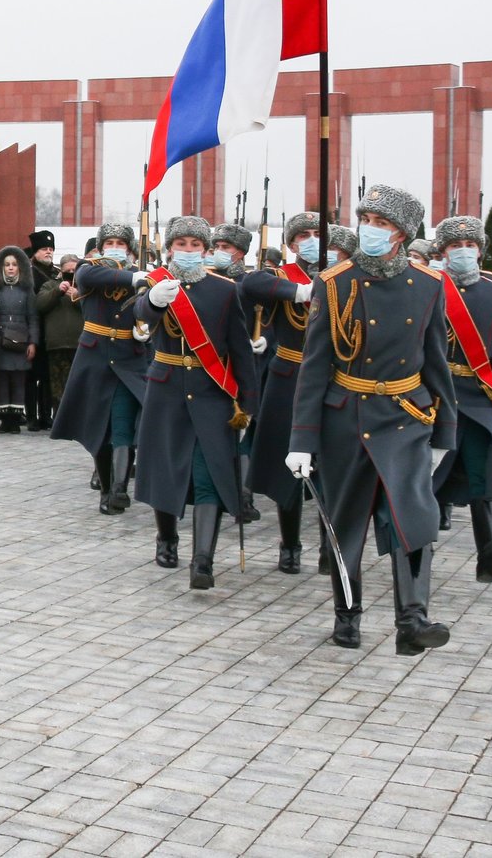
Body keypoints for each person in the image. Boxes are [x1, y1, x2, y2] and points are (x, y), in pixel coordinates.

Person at [289, 184, 458, 655]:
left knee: (415, 515)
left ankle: (413, 620)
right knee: (346, 522)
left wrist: (445, 430)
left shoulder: (428, 285)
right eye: (367, 219)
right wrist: (301, 439)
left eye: (382, 224)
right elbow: (315, 365)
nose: (371, 230)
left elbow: (435, 361)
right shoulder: (333, 281)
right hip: (347, 416)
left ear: (403, 234)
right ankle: (347, 616)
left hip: (405, 416)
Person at [132, 216, 259, 590]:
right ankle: (167, 538)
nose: (188, 251)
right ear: (169, 248)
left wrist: (247, 401)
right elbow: (139, 320)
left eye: (195, 246)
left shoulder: (223, 289)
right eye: (181, 244)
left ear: (206, 250)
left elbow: (238, 347)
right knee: (166, 467)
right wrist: (151, 303)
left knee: (210, 473)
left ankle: (202, 559)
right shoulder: (156, 283)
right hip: (166, 387)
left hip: (211, 392)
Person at [431, 215, 492, 582]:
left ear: (481, 252)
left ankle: (490, 553)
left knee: (485, 474)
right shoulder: (427, 288)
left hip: (480, 401)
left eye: (471, 246)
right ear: (443, 251)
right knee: (432, 479)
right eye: (456, 246)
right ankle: (417, 552)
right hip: (437, 400)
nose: (464, 252)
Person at [242, 211, 323, 573]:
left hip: (332, 381)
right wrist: (301, 290)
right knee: (287, 466)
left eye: (317, 233)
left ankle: (328, 547)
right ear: (291, 244)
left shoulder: (345, 276)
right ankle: (289, 543)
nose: (311, 239)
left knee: (329, 469)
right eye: (302, 235)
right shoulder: (281, 276)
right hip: (288, 374)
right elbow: (252, 285)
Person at [52, 223, 149, 517]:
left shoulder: (144, 274)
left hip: (128, 358)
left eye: (122, 242)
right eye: (110, 242)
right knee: (98, 428)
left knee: (122, 425)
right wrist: (136, 277)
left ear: (131, 249)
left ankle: (118, 489)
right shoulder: (89, 268)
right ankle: (106, 487)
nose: (115, 247)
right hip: (94, 358)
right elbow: (88, 276)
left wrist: (148, 323)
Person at [0, 245, 42, 434]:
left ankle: (16, 419)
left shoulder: (27, 291)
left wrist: (33, 342)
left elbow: (33, 318)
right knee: (1, 379)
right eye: (7, 264)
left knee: (18, 380)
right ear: (0, 268)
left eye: (14, 264)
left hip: (21, 341)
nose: (10, 268)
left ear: (21, 268)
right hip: (0, 340)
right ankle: (4, 420)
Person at [34, 254, 83, 424]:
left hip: (79, 345)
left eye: (74, 270)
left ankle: (75, 419)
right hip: (56, 344)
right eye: (67, 271)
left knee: (76, 385)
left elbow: (92, 309)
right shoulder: (50, 285)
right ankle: (59, 419)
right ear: (61, 271)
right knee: (56, 386)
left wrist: (77, 296)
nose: (71, 273)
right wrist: (58, 291)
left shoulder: (85, 288)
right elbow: (40, 305)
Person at [24, 230, 60, 430]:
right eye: (44, 249)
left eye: (50, 249)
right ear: (35, 252)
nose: (48, 253)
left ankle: (46, 415)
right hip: (33, 329)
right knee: (31, 377)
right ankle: (31, 417)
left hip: (51, 331)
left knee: (47, 377)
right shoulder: (28, 272)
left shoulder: (56, 272)